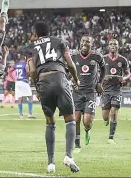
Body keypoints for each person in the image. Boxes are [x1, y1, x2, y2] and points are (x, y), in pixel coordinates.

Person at [26, 21, 80, 173]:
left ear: (35, 33)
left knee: (50, 122)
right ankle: (69, 156)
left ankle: (51, 163)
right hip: (60, 77)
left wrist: (38, 88)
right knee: (70, 119)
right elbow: (70, 64)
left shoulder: (30, 48)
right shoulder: (59, 42)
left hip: (43, 81)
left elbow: (31, 72)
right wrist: (76, 80)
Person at [71, 35, 106, 153]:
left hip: (91, 93)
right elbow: (67, 70)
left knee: (87, 121)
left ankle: (87, 130)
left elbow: (104, 69)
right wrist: (72, 82)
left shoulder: (97, 57)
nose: (85, 43)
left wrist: (100, 83)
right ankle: (77, 145)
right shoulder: (74, 56)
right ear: (80, 43)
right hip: (77, 92)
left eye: (88, 42)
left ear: (92, 44)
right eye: (83, 41)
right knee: (76, 118)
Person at [102, 39, 131, 144]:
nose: (113, 45)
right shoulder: (103, 58)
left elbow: (128, 74)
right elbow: (97, 72)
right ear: (108, 46)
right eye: (111, 44)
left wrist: (124, 78)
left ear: (118, 46)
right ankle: (106, 120)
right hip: (105, 90)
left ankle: (111, 137)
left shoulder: (123, 60)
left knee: (114, 112)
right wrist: (102, 78)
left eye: (115, 44)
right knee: (105, 116)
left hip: (117, 90)